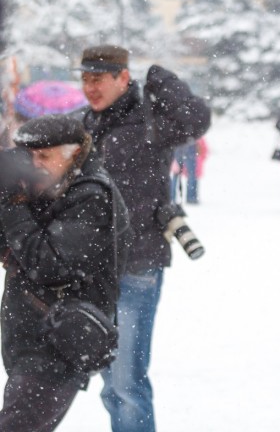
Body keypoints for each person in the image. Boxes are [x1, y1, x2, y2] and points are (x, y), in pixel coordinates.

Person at [77, 45, 211, 432]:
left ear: (123, 77)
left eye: (98, 79)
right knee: (108, 383)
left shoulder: (150, 119)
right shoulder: (84, 123)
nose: (90, 87)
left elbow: (196, 119)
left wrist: (159, 76)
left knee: (126, 382)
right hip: (93, 268)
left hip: (138, 264)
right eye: (84, 79)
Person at [0, 115, 130, 431]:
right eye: (29, 157)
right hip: (30, 334)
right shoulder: (46, 185)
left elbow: (47, 264)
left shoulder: (92, 196)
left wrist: (14, 203)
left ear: (74, 153)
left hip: (58, 344)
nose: (35, 165)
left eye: (44, 156)